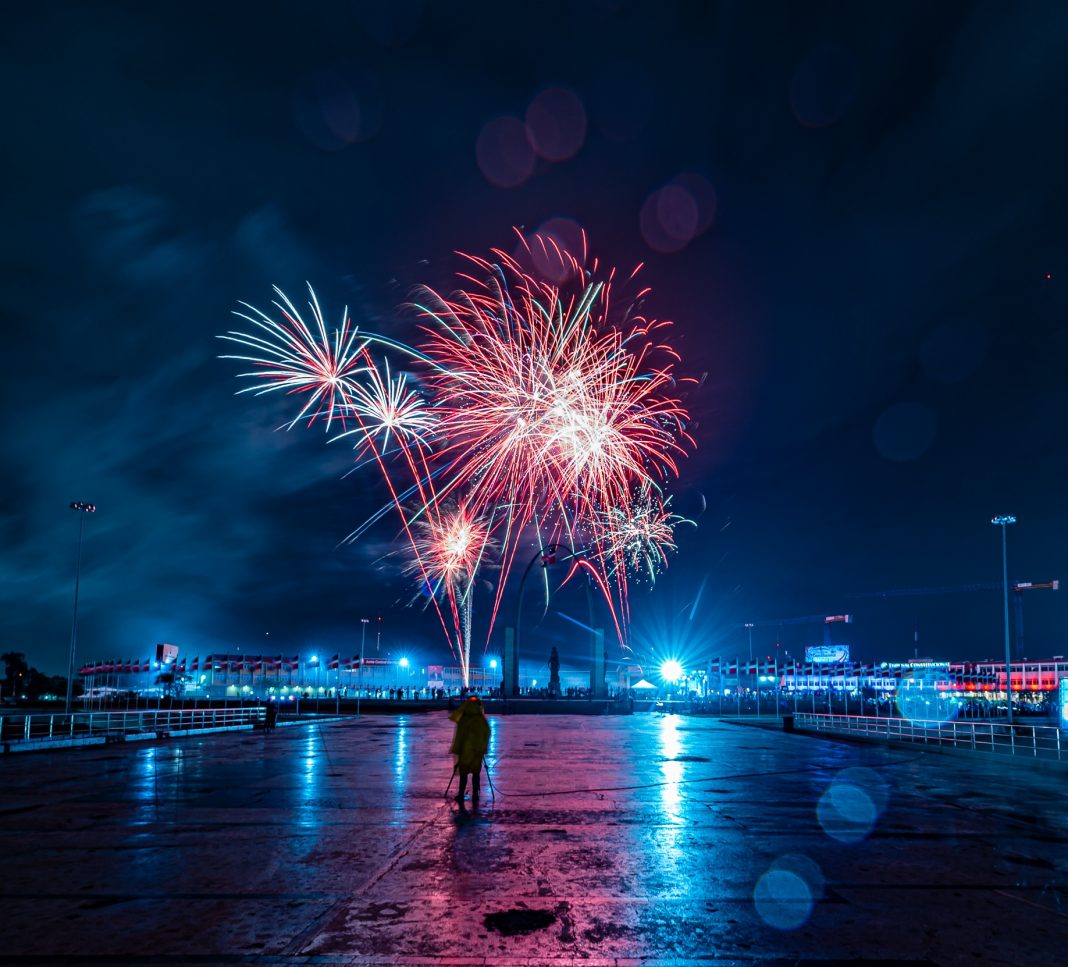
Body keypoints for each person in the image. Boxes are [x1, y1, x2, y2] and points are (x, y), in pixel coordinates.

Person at [449, 695, 490, 806]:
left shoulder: (464, 720)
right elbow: (486, 734)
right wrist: (483, 748)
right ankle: (475, 795)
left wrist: (457, 749)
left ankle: (461, 794)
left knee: (464, 773)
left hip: (465, 751)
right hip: (477, 751)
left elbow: (459, 736)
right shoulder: (481, 720)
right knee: (476, 773)